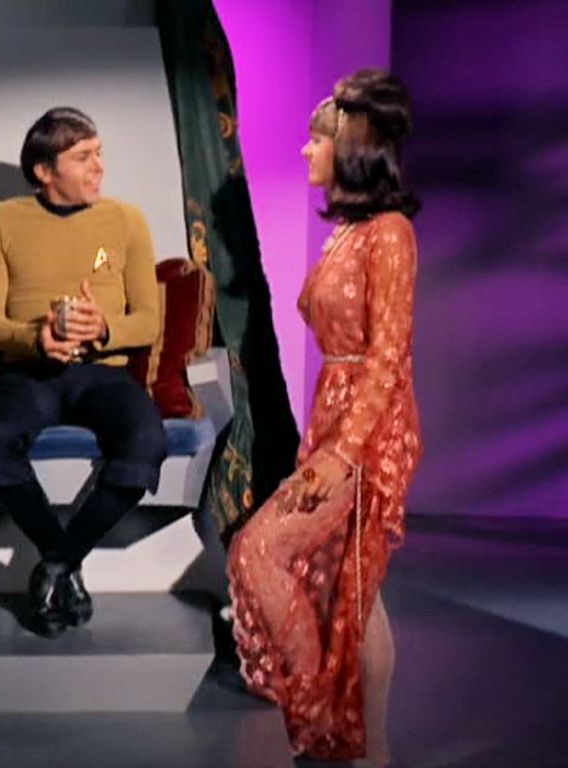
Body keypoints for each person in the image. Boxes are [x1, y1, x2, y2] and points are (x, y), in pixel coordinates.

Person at [227, 69, 423, 766]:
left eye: (317, 140)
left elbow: (387, 356)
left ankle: (319, 717)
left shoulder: (389, 233)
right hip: (333, 419)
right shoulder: (349, 232)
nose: (306, 151)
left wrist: (342, 455)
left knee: (258, 551)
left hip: (368, 431)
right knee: (356, 596)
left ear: (352, 147)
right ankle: (370, 750)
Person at [0, 107, 169, 637]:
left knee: (147, 441)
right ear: (44, 170)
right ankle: (64, 561)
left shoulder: (126, 220)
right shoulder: (5, 220)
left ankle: (56, 564)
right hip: (31, 373)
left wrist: (105, 327)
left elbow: (148, 321)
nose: (99, 166)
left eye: (99, 153)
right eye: (83, 157)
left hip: (103, 373)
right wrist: (36, 338)